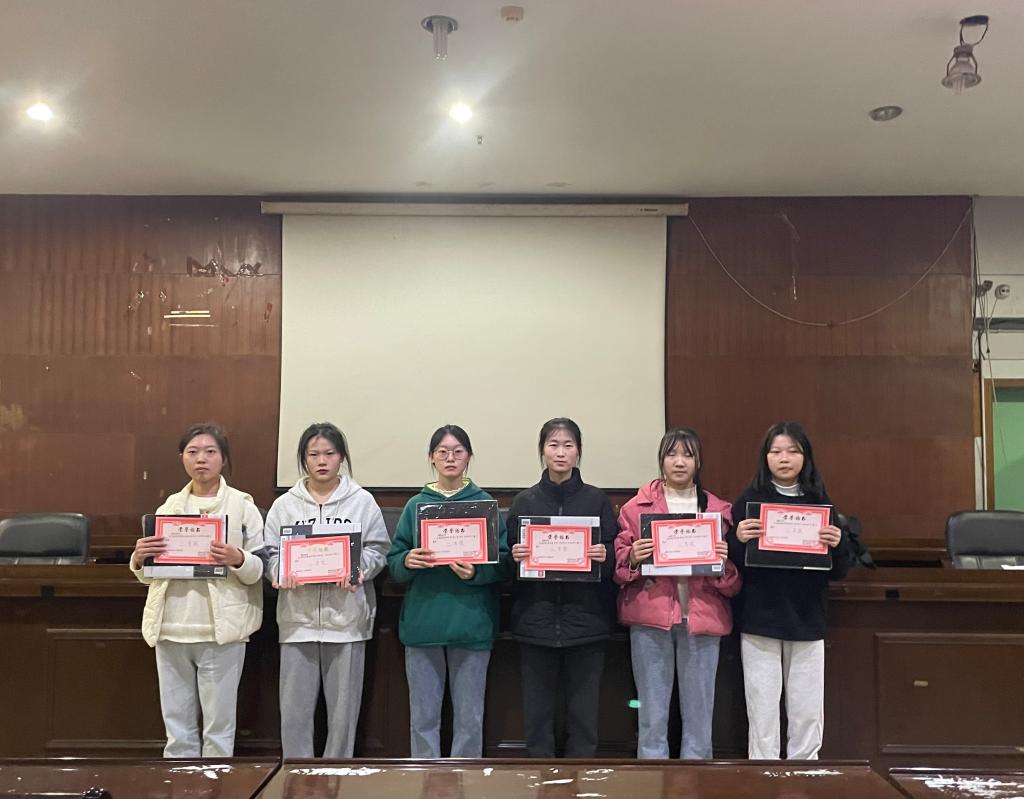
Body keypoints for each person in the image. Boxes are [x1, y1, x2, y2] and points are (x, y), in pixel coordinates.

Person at [130, 422, 265, 757]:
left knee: (219, 731)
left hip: (221, 631)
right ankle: (179, 783)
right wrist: (140, 559)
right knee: (177, 732)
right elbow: (151, 577)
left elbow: (259, 571)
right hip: (171, 627)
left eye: (210, 452)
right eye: (192, 452)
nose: (201, 459)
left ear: (224, 458)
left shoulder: (242, 506)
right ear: (182, 458)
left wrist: (238, 558)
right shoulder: (169, 508)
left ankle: (217, 784)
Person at [263, 422, 390, 758]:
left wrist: (358, 571)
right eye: (313, 454)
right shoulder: (285, 505)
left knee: (343, 717)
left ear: (341, 457)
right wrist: (280, 572)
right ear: (304, 459)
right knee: (294, 714)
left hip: (347, 621)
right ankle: (295, 776)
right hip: (297, 621)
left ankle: (338, 775)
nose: (321, 461)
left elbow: (378, 549)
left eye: (329, 453)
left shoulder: (362, 501)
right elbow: (270, 553)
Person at [728, 421, 853, 760]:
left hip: (807, 618)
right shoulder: (749, 501)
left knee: (807, 710)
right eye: (776, 451)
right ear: (765, 457)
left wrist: (839, 543)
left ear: (805, 457)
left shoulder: (819, 501)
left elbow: (839, 569)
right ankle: (763, 773)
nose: (784, 458)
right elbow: (731, 564)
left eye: (793, 451)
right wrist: (737, 539)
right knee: (762, 708)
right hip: (760, 618)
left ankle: (805, 774)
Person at [614, 427, 740, 759]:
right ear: (661, 460)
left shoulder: (719, 511)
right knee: (651, 716)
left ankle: (696, 782)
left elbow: (734, 582)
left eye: (688, 454)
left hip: (702, 621)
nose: (680, 462)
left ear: (699, 462)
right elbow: (618, 570)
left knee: (700, 718)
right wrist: (633, 558)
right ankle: (653, 780)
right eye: (672, 454)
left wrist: (722, 563)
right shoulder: (636, 509)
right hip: (650, 620)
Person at [386, 424, 508, 758]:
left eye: (458, 451)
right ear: (431, 457)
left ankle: (466, 780)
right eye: (442, 452)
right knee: (423, 719)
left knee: (470, 719)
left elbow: (504, 563)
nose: (450, 458)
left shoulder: (484, 504)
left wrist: (476, 572)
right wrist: (407, 560)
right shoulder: (416, 505)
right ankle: (425, 778)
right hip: (423, 624)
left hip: (472, 624)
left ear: (468, 457)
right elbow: (394, 561)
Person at [506, 417, 617, 757]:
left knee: (584, 719)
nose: (560, 452)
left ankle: (581, 777)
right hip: (535, 623)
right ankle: (539, 777)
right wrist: (514, 557)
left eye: (568, 445)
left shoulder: (597, 501)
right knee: (537, 719)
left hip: (586, 623)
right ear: (542, 451)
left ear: (578, 452)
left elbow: (615, 561)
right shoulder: (524, 503)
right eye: (553, 445)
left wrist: (605, 556)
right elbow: (506, 568)